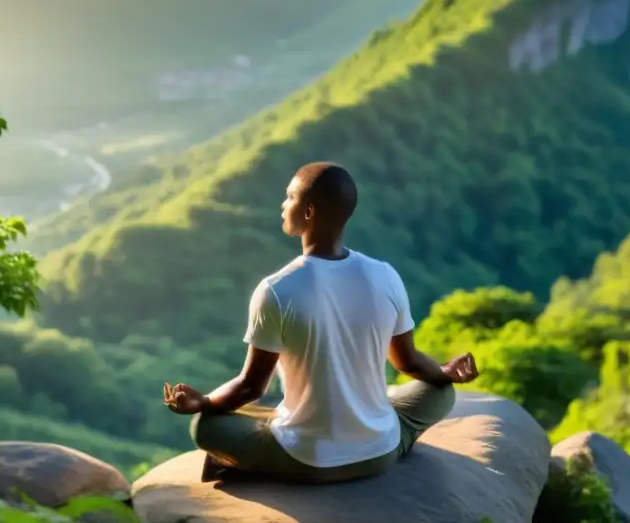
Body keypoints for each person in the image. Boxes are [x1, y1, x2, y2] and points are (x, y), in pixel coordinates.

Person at [162, 161, 479, 484]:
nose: (283, 205)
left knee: (205, 426)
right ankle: (393, 437)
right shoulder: (385, 275)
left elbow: (251, 386)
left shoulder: (276, 290)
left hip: (308, 460)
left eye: (290, 197)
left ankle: (250, 462)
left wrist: (203, 401)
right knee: (440, 391)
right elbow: (407, 360)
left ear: (309, 211)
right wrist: (442, 373)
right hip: (379, 453)